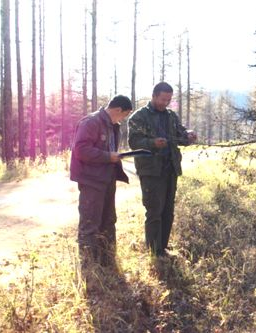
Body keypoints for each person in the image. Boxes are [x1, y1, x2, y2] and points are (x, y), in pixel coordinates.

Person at [128, 82, 197, 256]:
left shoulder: (171, 116)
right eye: (163, 99)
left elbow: (180, 136)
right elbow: (134, 143)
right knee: (154, 211)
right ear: (154, 96)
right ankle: (154, 250)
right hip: (151, 171)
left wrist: (189, 136)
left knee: (168, 210)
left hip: (170, 169)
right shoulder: (139, 117)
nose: (166, 102)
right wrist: (152, 143)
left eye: (169, 99)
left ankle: (163, 247)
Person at [70, 95, 133, 266]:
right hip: (92, 181)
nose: (124, 119)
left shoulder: (112, 125)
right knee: (90, 223)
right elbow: (81, 150)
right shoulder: (91, 122)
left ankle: (107, 261)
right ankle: (89, 266)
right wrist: (108, 157)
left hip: (107, 179)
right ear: (118, 110)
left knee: (108, 220)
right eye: (125, 115)